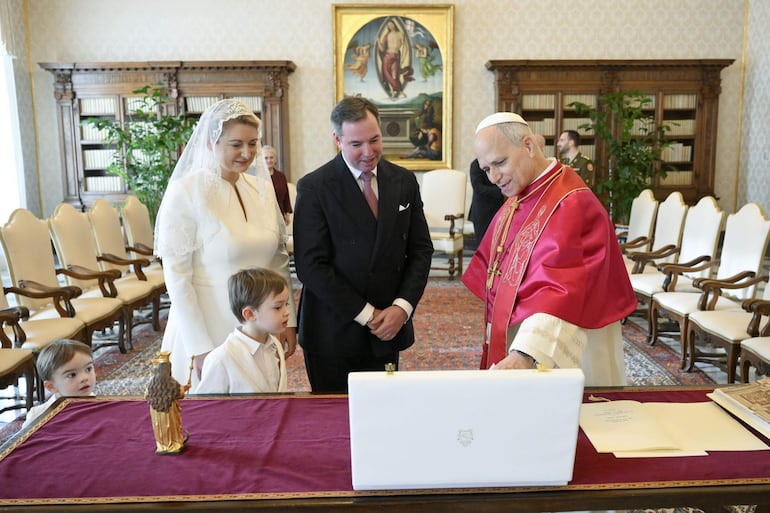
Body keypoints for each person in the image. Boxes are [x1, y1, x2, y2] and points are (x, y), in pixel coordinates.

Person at [462, 113, 636, 386]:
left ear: (529, 146)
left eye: (500, 163)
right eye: (486, 169)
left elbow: (562, 290)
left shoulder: (572, 202)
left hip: (560, 350)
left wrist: (524, 353)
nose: (494, 177)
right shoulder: (519, 196)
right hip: (521, 339)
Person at [293, 96, 433, 393]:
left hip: (388, 328)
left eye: (375, 140)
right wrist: (369, 315)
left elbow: (420, 250)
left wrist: (401, 308)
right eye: (356, 144)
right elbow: (310, 266)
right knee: (333, 423)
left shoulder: (404, 181)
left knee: (384, 418)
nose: (368, 153)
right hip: (334, 330)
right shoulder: (315, 187)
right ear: (337, 140)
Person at [154, 99, 296, 389]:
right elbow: (178, 278)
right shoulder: (186, 192)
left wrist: (286, 318)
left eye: (253, 143)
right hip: (208, 322)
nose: (247, 153)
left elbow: (278, 260)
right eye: (236, 144)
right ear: (210, 142)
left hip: (260, 324)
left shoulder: (260, 188)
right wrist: (200, 346)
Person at [195, 268, 289, 394]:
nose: (287, 312)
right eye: (278, 307)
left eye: (286, 305)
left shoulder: (275, 345)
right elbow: (206, 408)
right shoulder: (220, 359)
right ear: (250, 314)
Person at [22, 339, 95, 429]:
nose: (84, 378)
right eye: (72, 375)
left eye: (88, 369)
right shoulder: (38, 417)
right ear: (51, 386)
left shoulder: (98, 403)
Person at [145, 351, 189, 455]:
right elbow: (180, 393)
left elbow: (146, 395)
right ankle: (174, 444)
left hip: (156, 411)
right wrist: (185, 388)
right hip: (169, 410)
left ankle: (162, 445)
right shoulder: (171, 382)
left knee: (160, 427)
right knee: (171, 426)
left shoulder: (152, 383)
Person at [468, 158, 505, 246]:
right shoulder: (476, 164)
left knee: (498, 244)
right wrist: (501, 191)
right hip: (482, 213)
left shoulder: (498, 162)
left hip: (498, 209)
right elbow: (478, 188)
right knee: (483, 246)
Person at [263, 145, 293, 225]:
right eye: (266, 158)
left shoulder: (281, 176)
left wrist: (287, 213)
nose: (269, 160)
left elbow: (286, 195)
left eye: (271, 157)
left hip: (280, 214)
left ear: (275, 159)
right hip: (264, 216)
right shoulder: (256, 177)